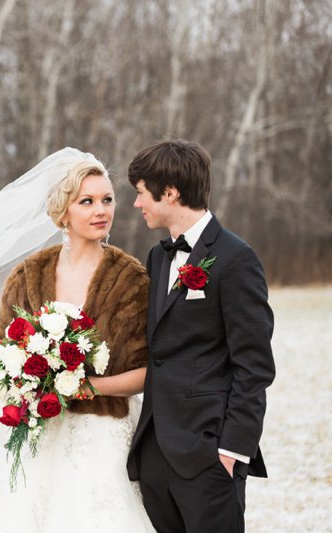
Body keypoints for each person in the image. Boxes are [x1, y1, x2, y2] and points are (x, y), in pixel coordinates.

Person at [0, 157, 155, 532]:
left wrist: (84, 387)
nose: (100, 211)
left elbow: (148, 371)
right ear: (62, 210)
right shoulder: (27, 276)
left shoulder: (131, 280)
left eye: (107, 200)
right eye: (86, 201)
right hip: (42, 436)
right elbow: (0, 355)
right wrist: (30, 386)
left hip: (104, 437)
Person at [125, 139, 276, 533]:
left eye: (141, 193)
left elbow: (254, 366)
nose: (137, 204)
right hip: (156, 453)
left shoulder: (237, 259)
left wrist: (231, 450)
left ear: (170, 192)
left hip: (209, 454)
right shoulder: (158, 257)